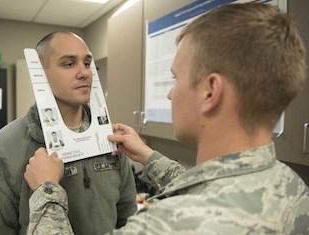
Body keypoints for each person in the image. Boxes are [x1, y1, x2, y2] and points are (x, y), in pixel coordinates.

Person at [24, 3, 309, 234]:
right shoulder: (291, 187)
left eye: (176, 78)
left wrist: (47, 190)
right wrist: (150, 158)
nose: (171, 94)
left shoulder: (170, 224)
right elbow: (210, 186)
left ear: (211, 91)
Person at [0, 32, 137, 235]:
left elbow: (128, 218)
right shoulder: (2, 151)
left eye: (87, 63)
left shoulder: (110, 140)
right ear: (39, 74)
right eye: (69, 64)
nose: (84, 73)